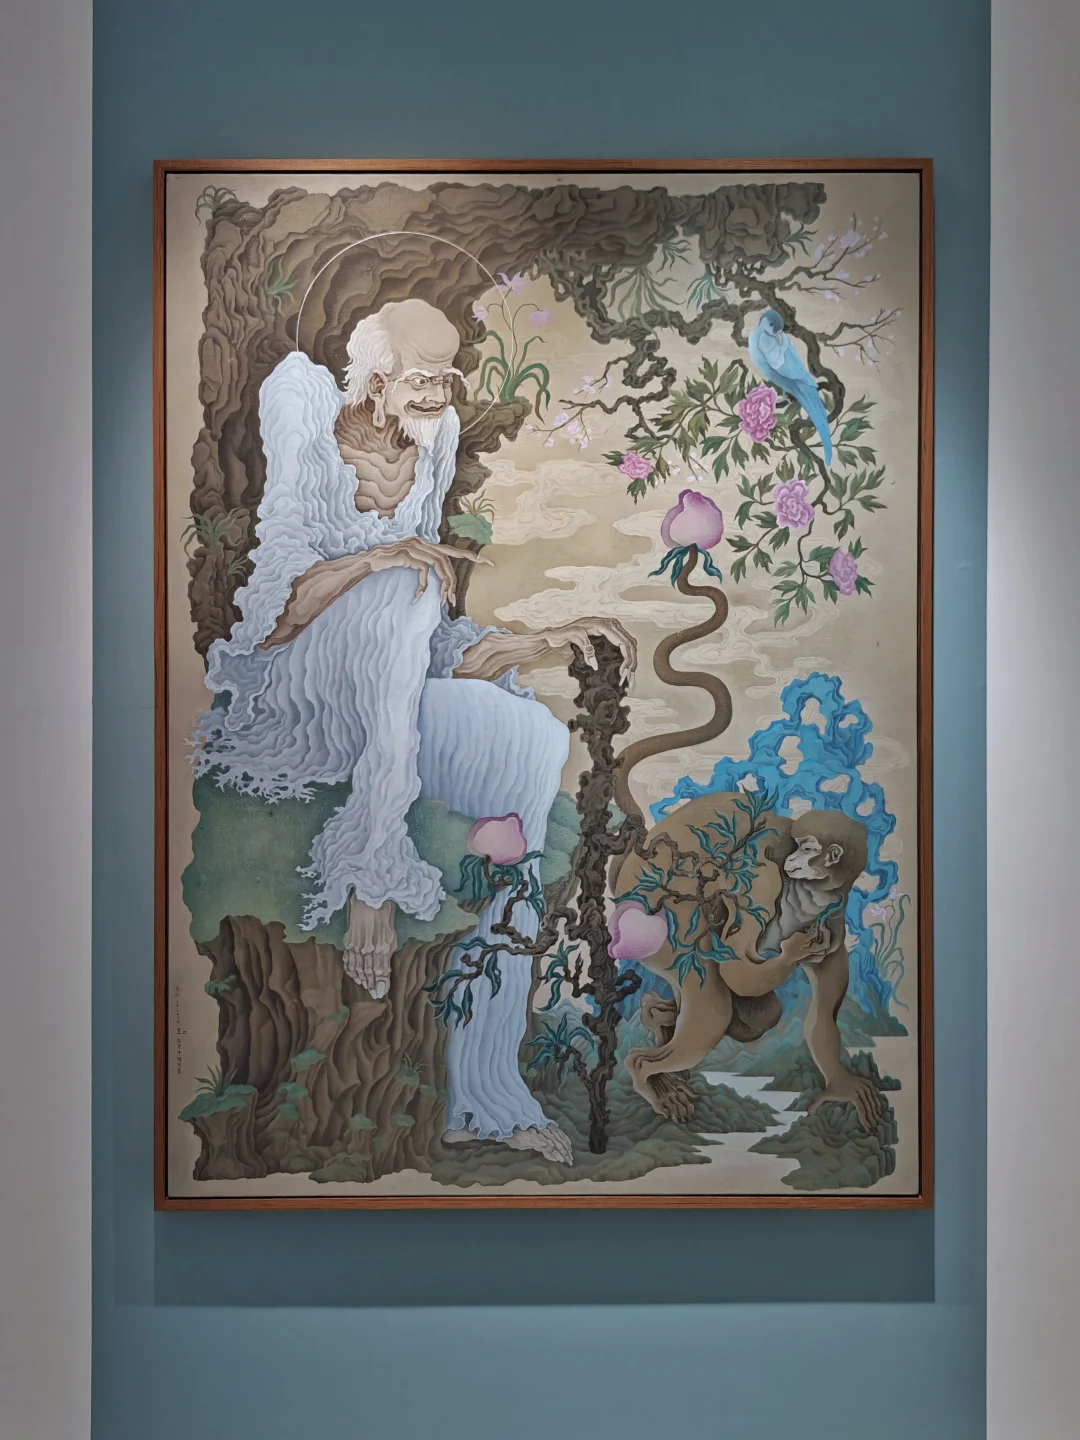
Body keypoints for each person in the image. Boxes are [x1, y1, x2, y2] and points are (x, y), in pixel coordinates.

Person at [191, 297, 635, 1164]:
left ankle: (486, 1095)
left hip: (391, 685)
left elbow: (422, 638)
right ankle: (372, 864)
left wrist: (526, 644)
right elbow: (276, 614)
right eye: (423, 378)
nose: (439, 393)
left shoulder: (435, 437)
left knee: (528, 738)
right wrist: (376, 560)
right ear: (376, 378)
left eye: (447, 378)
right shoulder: (305, 408)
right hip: (304, 686)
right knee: (401, 585)